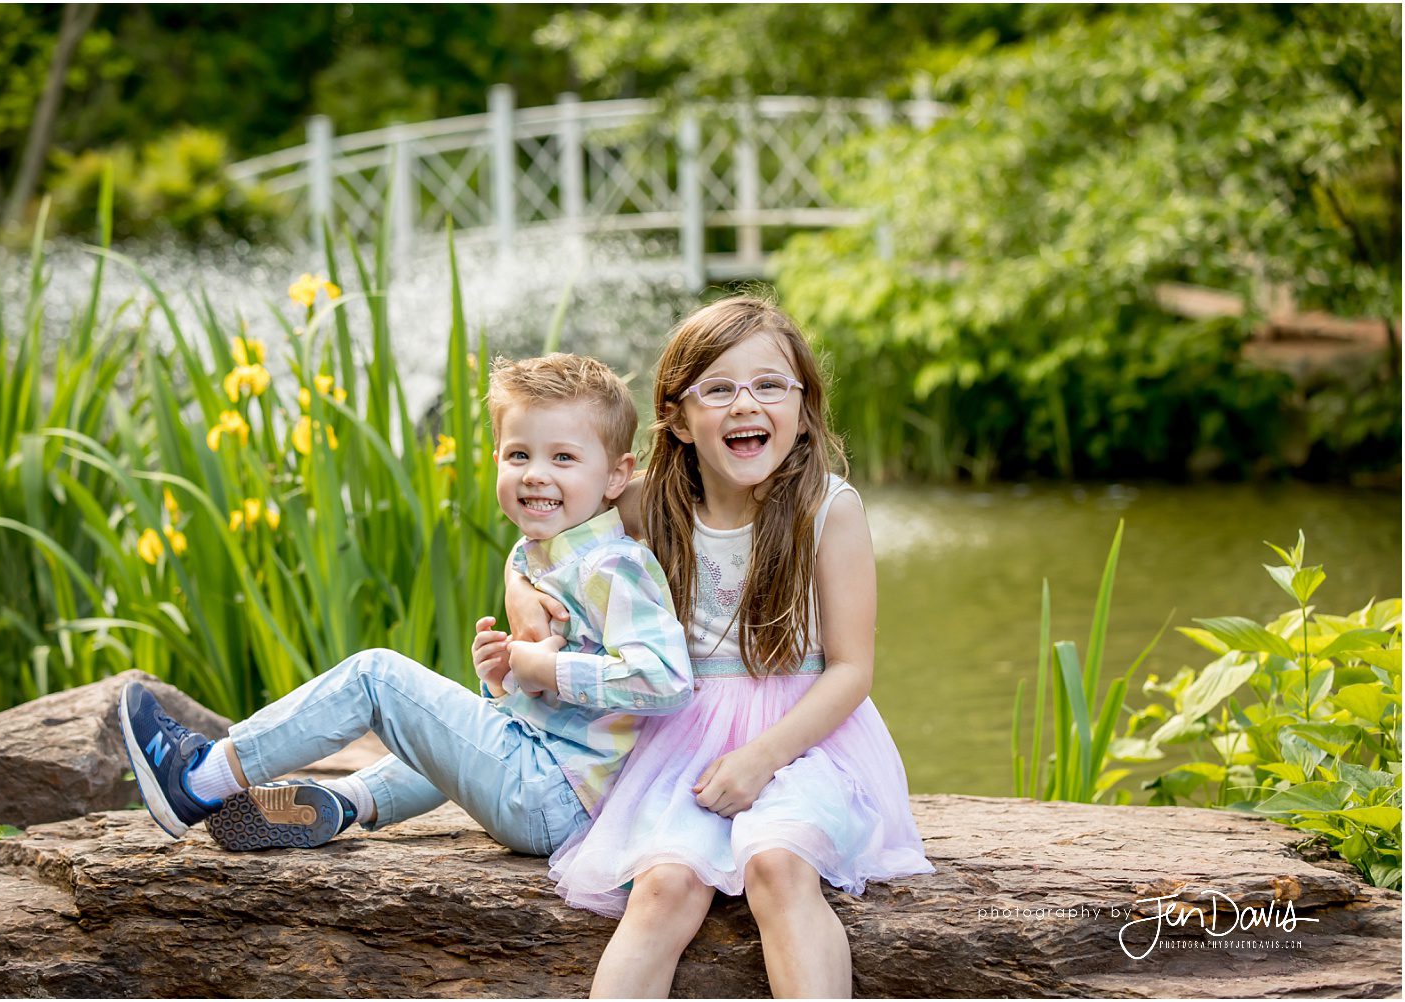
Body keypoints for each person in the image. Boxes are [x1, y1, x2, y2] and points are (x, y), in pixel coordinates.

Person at [489, 296, 933, 998]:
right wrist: (521, 593)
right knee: (664, 886)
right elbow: (543, 541)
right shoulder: (646, 502)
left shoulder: (828, 509)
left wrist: (761, 760)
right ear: (676, 415)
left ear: (803, 403)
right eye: (718, 389)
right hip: (684, 739)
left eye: (768, 386)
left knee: (777, 866)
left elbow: (852, 669)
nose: (744, 405)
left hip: (806, 740)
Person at [119, 353, 693, 856]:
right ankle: (345, 801)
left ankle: (197, 779)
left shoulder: (614, 566)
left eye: (563, 458)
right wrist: (507, 676)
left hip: (555, 795)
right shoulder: (547, 554)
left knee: (376, 677)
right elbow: (562, 702)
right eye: (518, 454)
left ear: (618, 476)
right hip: (553, 780)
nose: (535, 474)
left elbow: (666, 682)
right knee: (477, 714)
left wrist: (544, 666)